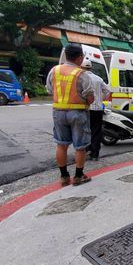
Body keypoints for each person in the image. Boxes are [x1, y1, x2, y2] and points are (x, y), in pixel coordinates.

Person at [46, 43, 94, 186]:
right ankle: (78, 176)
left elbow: (50, 90)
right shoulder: (82, 74)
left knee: (61, 145)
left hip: (58, 112)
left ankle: (64, 176)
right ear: (79, 57)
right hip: (78, 113)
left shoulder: (54, 71)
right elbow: (90, 97)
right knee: (80, 146)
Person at [81, 59, 112, 161]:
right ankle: (95, 154)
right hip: (98, 108)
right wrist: (101, 99)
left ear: (82, 68)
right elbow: (108, 90)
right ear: (91, 68)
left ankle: (87, 150)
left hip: (85, 109)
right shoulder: (98, 79)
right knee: (96, 131)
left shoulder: (80, 78)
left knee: (85, 130)